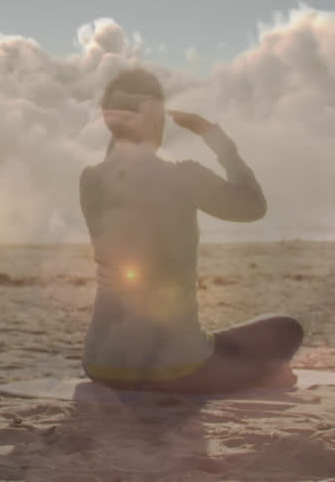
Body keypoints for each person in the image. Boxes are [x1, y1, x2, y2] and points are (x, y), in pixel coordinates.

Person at [79, 67, 303, 393]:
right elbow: (254, 207)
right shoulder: (183, 178)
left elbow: (122, 177)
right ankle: (258, 375)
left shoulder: (91, 180)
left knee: (210, 337)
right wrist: (212, 134)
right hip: (172, 369)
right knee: (287, 328)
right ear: (157, 117)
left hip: (101, 364)